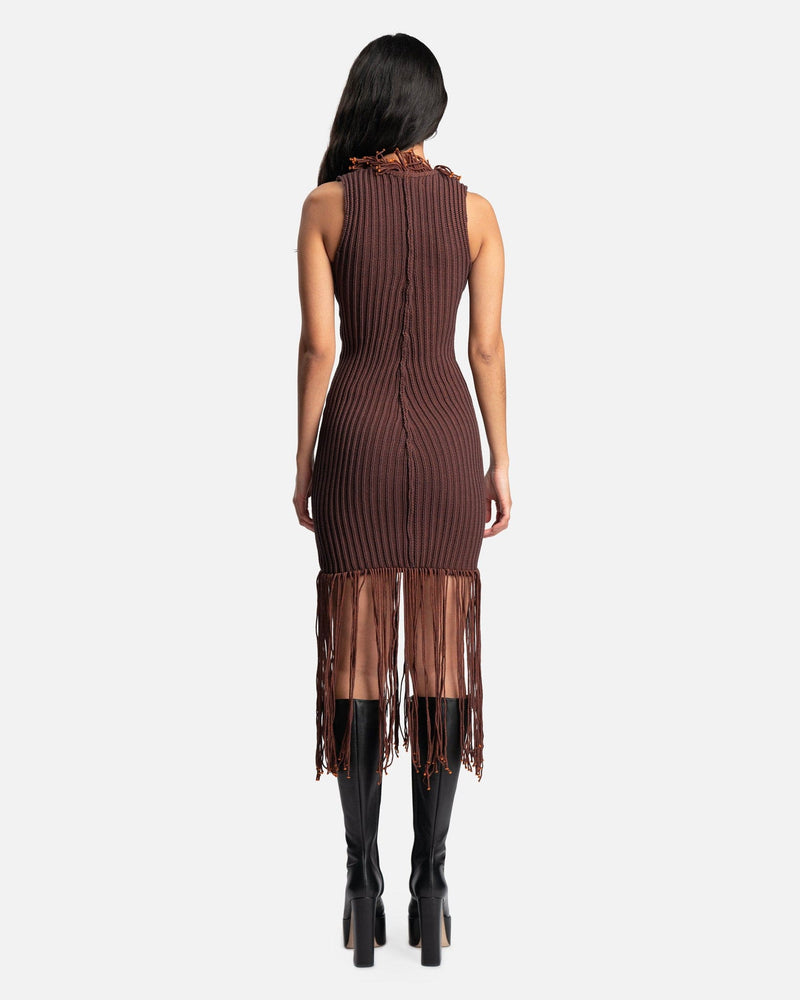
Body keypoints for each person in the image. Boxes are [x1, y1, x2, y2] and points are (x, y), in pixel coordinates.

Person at [294, 33, 511, 968]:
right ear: (427, 110)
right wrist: (501, 460)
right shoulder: (476, 213)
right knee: (437, 662)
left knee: (354, 659)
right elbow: (485, 349)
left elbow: (319, 347)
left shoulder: (326, 206)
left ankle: (360, 884)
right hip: (450, 443)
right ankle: (431, 883)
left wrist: (302, 458)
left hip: (356, 443)